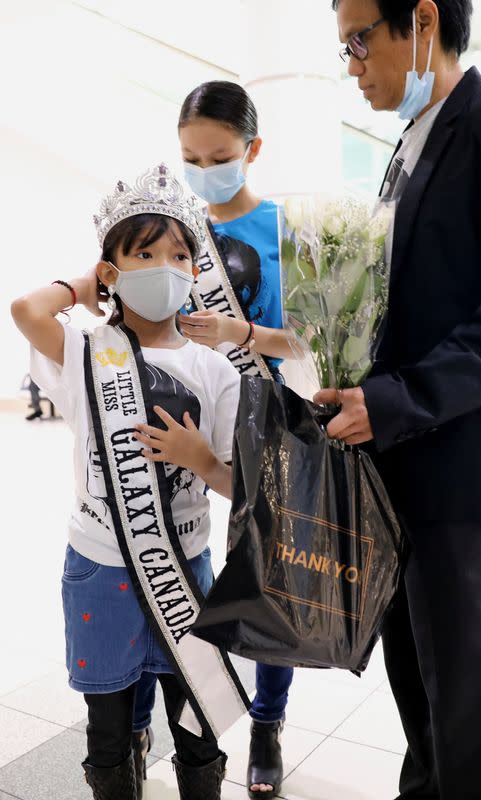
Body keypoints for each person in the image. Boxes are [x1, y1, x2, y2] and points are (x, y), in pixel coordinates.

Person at [315, 1, 481, 798]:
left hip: (468, 485)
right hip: (400, 481)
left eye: (358, 40)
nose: (353, 64)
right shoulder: (403, 150)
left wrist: (394, 401)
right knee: (425, 703)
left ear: (424, 18)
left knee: (480, 722)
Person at [11, 164, 251, 800]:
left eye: (178, 254)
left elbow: (237, 485)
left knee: (197, 721)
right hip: (99, 566)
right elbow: (25, 309)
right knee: (109, 725)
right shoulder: (90, 350)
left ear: (196, 271)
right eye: (144, 253)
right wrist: (83, 285)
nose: (165, 267)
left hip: (184, 567)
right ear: (111, 271)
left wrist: (200, 461)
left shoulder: (214, 368)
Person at [131, 80, 296, 800]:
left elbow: (311, 335)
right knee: (172, 562)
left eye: (219, 156)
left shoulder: (286, 229)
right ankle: (146, 717)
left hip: (269, 417)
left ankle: (266, 723)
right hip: (186, 417)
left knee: (269, 579)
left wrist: (242, 333)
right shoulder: (176, 228)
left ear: (251, 150)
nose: (204, 168)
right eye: (190, 156)